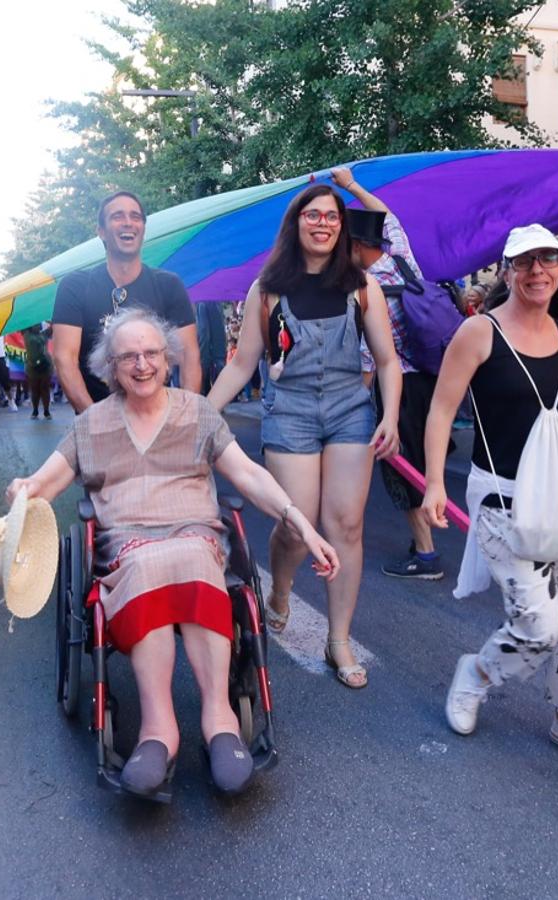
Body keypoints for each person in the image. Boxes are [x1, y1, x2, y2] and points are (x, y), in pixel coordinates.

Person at [7, 308, 339, 797]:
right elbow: (45, 482)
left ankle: (219, 720)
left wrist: (300, 523)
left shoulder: (197, 412)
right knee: (147, 564)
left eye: (151, 354)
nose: (141, 365)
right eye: (128, 357)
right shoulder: (92, 425)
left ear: (167, 359)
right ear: (111, 367)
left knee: (191, 556)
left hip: (193, 533)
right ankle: (158, 729)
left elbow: (246, 474)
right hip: (127, 545)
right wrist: (23, 490)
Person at [423, 224, 558, 771]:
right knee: (539, 625)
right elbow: (442, 410)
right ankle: (478, 674)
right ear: (506, 270)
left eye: (548, 260)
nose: (538, 271)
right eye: (525, 262)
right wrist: (436, 483)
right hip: (501, 501)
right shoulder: (479, 333)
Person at [207, 183, 401, 689]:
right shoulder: (266, 290)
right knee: (296, 524)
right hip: (288, 411)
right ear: (296, 224)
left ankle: (338, 640)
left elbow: (386, 360)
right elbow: (242, 365)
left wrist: (391, 416)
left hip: (349, 413)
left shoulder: (362, 286)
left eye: (331, 217)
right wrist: (202, 414)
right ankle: (282, 588)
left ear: (341, 226)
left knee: (346, 526)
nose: (322, 224)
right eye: (312, 215)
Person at [330, 165, 444, 580]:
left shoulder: (363, 286)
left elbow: (367, 358)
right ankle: (424, 541)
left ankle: (426, 555)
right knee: (426, 464)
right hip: (433, 379)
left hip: (400, 389)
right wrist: (351, 185)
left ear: (358, 246)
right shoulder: (401, 257)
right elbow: (390, 217)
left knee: (401, 467)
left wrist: (356, 408)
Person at [52, 191, 201, 413]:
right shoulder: (74, 286)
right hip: (95, 420)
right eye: (118, 216)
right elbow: (65, 358)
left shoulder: (169, 285)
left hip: (158, 422)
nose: (128, 223)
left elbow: (189, 355)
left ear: (143, 228)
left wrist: (186, 419)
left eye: (135, 216)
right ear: (101, 232)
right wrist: (95, 424)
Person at [22, 323, 54, 419]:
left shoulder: (44, 334)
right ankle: (35, 410)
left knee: (45, 389)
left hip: (45, 366)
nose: (38, 325)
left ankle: (46, 411)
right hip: (32, 367)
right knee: (34, 389)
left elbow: (53, 327)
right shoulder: (26, 333)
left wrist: (52, 320)